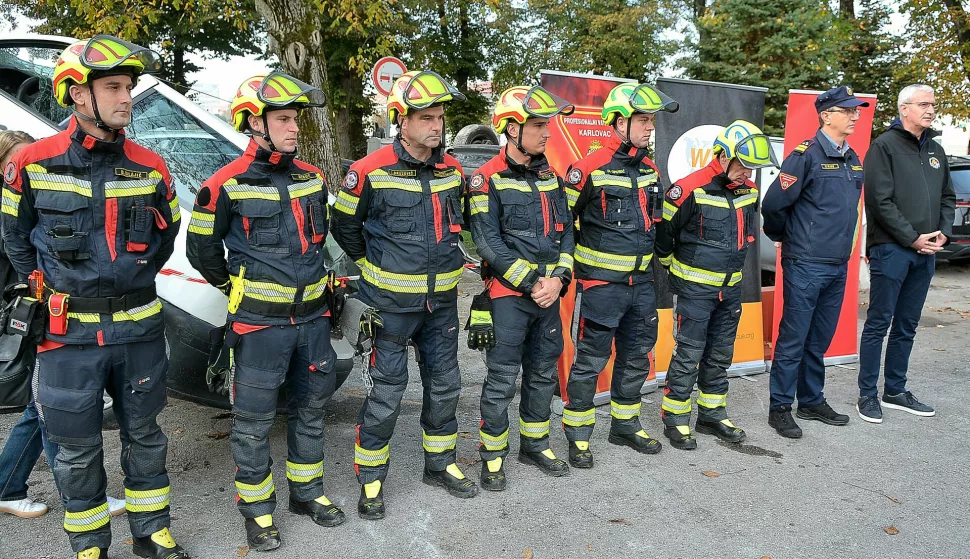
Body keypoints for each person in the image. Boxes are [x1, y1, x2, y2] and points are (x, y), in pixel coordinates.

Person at [1, 36, 188, 559]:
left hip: (140, 330)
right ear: (78, 95)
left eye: (127, 86)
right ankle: (89, 543)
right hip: (67, 335)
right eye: (113, 87)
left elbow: (165, 236)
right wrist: (58, 285)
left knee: (147, 438)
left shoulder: (151, 166)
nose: (126, 96)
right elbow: (17, 241)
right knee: (76, 450)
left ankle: (152, 532)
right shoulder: (32, 164)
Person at [186, 72, 341, 551]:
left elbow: (325, 244)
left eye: (295, 119)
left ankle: (308, 494)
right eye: (284, 119)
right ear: (255, 122)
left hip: (313, 322)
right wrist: (241, 287)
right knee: (252, 425)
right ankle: (257, 513)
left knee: (310, 411)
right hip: (258, 327)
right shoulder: (223, 185)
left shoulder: (312, 177)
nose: (295, 128)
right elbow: (202, 251)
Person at [331, 70, 477, 520]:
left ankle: (440, 464)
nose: (437, 126)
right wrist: (378, 267)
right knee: (386, 395)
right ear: (401, 121)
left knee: (445, 386)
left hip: (441, 307)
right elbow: (345, 229)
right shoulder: (367, 171)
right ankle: (371, 480)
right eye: (427, 118)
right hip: (390, 308)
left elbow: (464, 224)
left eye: (440, 118)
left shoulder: (452, 170)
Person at [0, 131, 126, 521]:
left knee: (43, 408)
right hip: (27, 314)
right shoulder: (11, 210)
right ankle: (83, 495)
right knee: (56, 407)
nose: (30, 167)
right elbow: (23, 257)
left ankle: (8, 485)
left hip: (39, 311)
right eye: (19, 160)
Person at [560, 83, 678, 467]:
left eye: (651, 120)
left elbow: (657, 224)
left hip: (642, 285)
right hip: (600, 288)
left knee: (636, 356)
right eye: (642, 120)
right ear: (618, 122)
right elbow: (561, 227)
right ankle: (578, 434)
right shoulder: (587, 169)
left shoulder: (649, 170)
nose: (650, 128)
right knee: (590, 361)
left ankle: (625, 425)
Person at [467, 85, 575, 490]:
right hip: (510, 298)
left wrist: (559, 280)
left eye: (547, 125)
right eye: (539, 125)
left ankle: (535, 442)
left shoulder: (552, 177)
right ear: (512, 129)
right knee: (501, 379)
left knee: (544, 373)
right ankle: (492, 457)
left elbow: (567, 235)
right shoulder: (484, 179)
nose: (547, 133)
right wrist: (533, 283)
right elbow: (488, 243)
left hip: (548, 295)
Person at [655, 120, 775, 449]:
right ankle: (675, 417)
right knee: (689, 353)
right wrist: (673, 269)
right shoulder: (689, 189)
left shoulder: (749, 191)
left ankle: (711, 413)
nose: (747, 172)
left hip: (730, 290)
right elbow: (664, 237)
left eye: (751, 167)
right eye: (742, 164)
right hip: (695, 290)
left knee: (721, 354)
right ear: (722, 157)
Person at [762, 85, 867, 439]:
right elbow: (774, 205)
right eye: (848, 110)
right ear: (826, 115)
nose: (855, 115)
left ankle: (810, 400)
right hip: (806, 263)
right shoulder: (804, 155)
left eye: (856, 111)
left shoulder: (853, 158)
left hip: (837, 265)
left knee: (818, 338)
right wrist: (785, 239)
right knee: (794, 337)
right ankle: (780, 407)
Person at [857, 84, 954, 423]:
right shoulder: (883, 147)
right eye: (924, 104)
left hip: (926, 252)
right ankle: (867, 395)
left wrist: (944, 231)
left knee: (908, 325)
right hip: (892, 250)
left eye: (933, 103)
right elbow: (879, 202)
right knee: (879, 323)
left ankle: (895, 390)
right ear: (904, 109)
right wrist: (912, 238)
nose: (931, 109)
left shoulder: (937, 150)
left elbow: (947, 197)